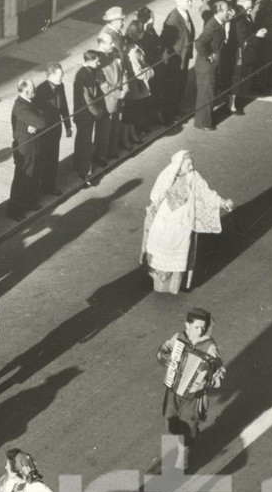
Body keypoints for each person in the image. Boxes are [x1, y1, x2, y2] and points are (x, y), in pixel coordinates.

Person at [143, 152, 232, 295]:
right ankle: (159, 281)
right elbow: (159, 192)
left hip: (183, 221)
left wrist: (222, 203)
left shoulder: (193, 177)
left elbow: (207, 193)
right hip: (166, 218)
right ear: (179, 166)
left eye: (192, 164)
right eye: (188, 164)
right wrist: (153, 205)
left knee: (178, 249)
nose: (191, 167)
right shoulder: (169, 175)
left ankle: (173, 285)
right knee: (160, 244)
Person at [155, 309, 225, 468]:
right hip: (174, 391)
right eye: (196, 327)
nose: (200, 331)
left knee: (187, 429)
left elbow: (219, 372)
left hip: (194, 396)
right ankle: (188, 435)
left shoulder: (209, 346)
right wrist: (163, 356)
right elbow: (164, 349)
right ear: (187, 325)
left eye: (203, 327)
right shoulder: (179, 338)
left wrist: (209, 379)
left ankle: (183, 457)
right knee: (170, 423)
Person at [7, 77, 45, 220]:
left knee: (31, 176)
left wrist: (34, 123)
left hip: (31, 147)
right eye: (33, 89)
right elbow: (42, 121)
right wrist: (36, 122)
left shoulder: (28, 103)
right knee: (22, 179)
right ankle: (14, 211)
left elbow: (40, 117)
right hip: (24, 149)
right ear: (27, 91)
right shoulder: (21, 107)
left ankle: (28, 202)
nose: (35, 91)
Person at [194, 0, 233, 130]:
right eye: (227, 10)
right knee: (207, 95)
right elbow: (199, 43)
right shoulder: (212, 25)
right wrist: (209, 55)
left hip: (208, 66)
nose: (229, 12)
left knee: (205, 94)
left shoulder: (219, 22)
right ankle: (205, 123)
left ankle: (200, 121)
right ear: (219, 11)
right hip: (206, 66)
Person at [34, 62, 72, 196]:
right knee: (43, 159)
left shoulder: (60, 86)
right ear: (50, 75)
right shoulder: (40, 90)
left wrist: (68, 125)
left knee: (53, 159)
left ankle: (49, 186)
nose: (62, 78)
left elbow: (64, 106)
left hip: (56, 129)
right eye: (60, 75)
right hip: (44, 132)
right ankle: (40, 188)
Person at [159, 0, 197, 124]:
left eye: (190, 0)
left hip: (184, 57)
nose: (191, 3)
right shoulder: (173, 18)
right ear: (178, 1)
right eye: (188, 1)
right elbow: (166, 41)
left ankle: (176, 109)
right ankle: (168, 117)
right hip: (176, 60)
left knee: (181, 85)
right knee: (173, 87)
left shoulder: (185, 14)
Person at [119, 25, 155, 147]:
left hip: (135, 86)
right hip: (134, 86)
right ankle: (125, 139)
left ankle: (131, 135)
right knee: (129, 115)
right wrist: (150, 70)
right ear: (137, 35)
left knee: (132, 114)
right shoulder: (133, 51)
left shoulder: (134, 47)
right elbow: (138, 73)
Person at [93, 32, 125, 163]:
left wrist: (125, 88)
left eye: (113, 42)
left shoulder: (115, 53)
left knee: (115, 126)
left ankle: (112, 151)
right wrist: (118, 93)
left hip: (119, 96)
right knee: (104, 130)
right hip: (108, 100)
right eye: (110, 43)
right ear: (101, 44)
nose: (113, 45)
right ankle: (101, 156)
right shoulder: (97, 60)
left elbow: (124, 71)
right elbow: (104, 85)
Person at [72, 49, 104, 181]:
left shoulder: (88, 72)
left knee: (81, 140)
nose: (99, 63)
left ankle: (77, 164)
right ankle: (85, 172)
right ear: (89, 61)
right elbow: (88, 99)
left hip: (83, 114)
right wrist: (97, 112)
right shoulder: (83, 75)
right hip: (85, 115)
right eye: (97, 61)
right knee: (85, 143)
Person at [135, 7, 164, 123]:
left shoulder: (151, 29)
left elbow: (157, 42)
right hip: (151, 66)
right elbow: (147, 52)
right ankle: (154, 117)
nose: (154, 19)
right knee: (153, 93)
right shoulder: (143, 33)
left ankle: (157, 115)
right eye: (152, 17)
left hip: (157, 65)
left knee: (158, 92)